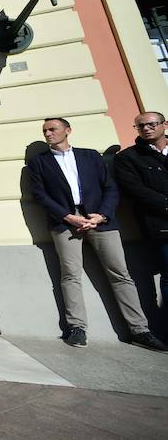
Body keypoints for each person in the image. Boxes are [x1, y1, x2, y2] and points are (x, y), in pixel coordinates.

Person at [27, 117, 166, 351]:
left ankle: (139, 330)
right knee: (70, 275)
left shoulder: (90, 156)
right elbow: (41, 195)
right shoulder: (38, 162)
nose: (48, 134)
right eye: (45, 131)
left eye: (53, 129)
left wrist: (101, 215)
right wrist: (67, 216)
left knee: (120, 274)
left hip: (100, 220)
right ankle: (76, 328)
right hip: (65, 222)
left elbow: (110, 187)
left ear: (68, 130)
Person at [113, 112, 168, 329]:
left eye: (152, 124)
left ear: (164, 124)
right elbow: (135, 190)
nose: (146, 128)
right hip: (161, 225)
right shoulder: (128, 158)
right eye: (140, 126)